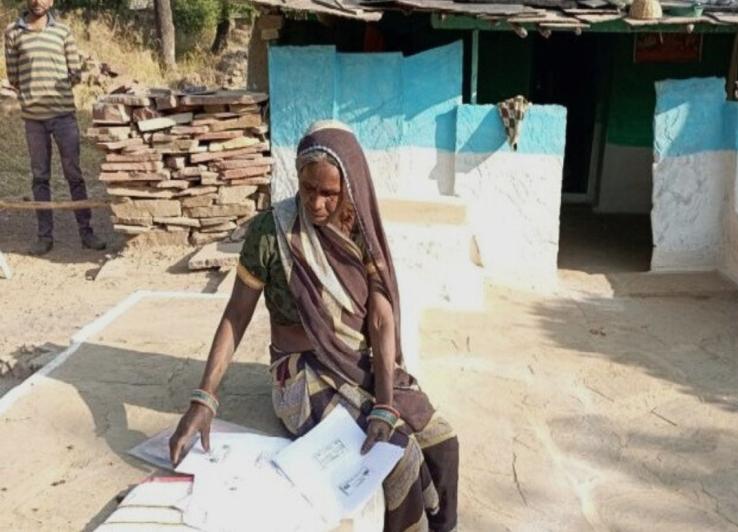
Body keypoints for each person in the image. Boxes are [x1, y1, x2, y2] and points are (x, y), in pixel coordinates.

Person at [169, 121, 459, 532]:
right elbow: (236, 314)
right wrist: (204, 398)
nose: (317, 203)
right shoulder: (273, 232)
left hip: (357, 361)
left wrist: (385, 401)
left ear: (349, 187)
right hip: (300, 372)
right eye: (308, 189)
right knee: (397, 456)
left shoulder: (358, 227)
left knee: (444, 442)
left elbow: (380, 316)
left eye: (329, 193)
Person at [3, 0, 106, 255]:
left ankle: (87, 232)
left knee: (74, 174)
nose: (39, 1)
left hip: (64, 117)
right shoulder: (13, 32)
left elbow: (75, 73)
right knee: (40, 177)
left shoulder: (63, 31)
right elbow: (14, 76)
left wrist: (54, 91)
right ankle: (44, 236)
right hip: (33, 120)